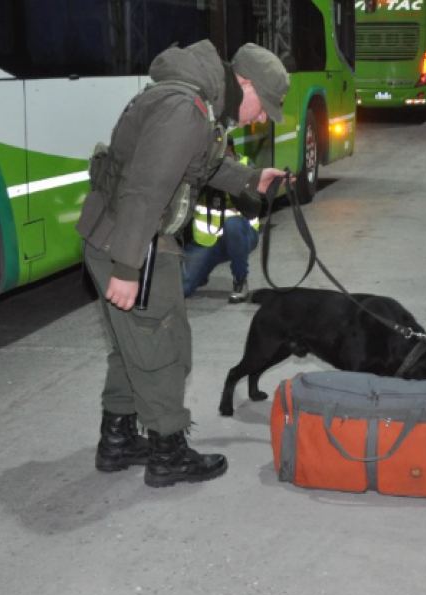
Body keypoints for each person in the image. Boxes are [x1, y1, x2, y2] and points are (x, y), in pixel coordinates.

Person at [76, 40, 290, 487]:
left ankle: (117, 439)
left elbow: (198, 166)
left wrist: (251, 178)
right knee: (164, 347)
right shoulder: (185, 110)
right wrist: (128, 268)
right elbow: (146, 190)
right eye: (264, 106)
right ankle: (168, 453)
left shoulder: (196, 104)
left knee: (133, 346)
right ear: (245, 84)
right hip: (133, 241)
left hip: (117, 235)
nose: (262, 118)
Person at [182, 164, 263, 303]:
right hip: (206, 242)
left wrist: (231, 184)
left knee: (233, 224)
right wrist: (207, 182)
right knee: (182, 289)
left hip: (241, 238)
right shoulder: (199, 168)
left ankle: (240, 279)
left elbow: (254, 208)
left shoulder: (245, 166)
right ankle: (203, 271)